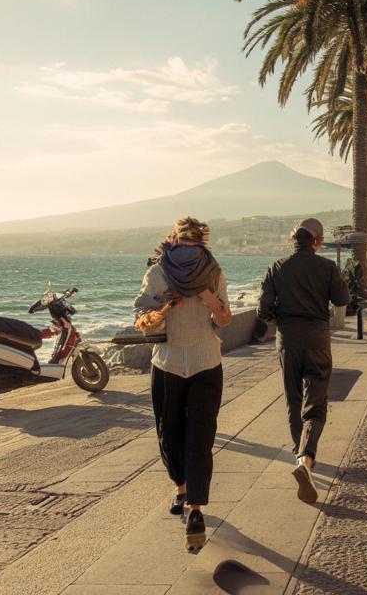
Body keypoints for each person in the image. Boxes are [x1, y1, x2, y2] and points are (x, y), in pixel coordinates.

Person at [133, 217, 231, 552]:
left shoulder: (213, 272)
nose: (190, 249)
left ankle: (196, 509)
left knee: (200, 438)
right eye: (185, 242)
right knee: (168, 434)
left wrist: (210, 300)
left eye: (195, 243)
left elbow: (225, 319)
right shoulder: (157, 273)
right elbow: (141, 321)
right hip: (168, 363)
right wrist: (164, 308)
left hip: (205, 362)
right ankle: (181, 488)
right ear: (174, 241)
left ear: (202, 244)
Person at [257, 217, 351, 503]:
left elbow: (263, 310)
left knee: (294, 400)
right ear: (318, 242)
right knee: (316, 401)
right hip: (317, 339)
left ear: (293, 239)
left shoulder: (277, 267)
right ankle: (306, 459)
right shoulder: (327, 267)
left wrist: (281, 319)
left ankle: (300, 455)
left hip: (288, 340)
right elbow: (342, 298)